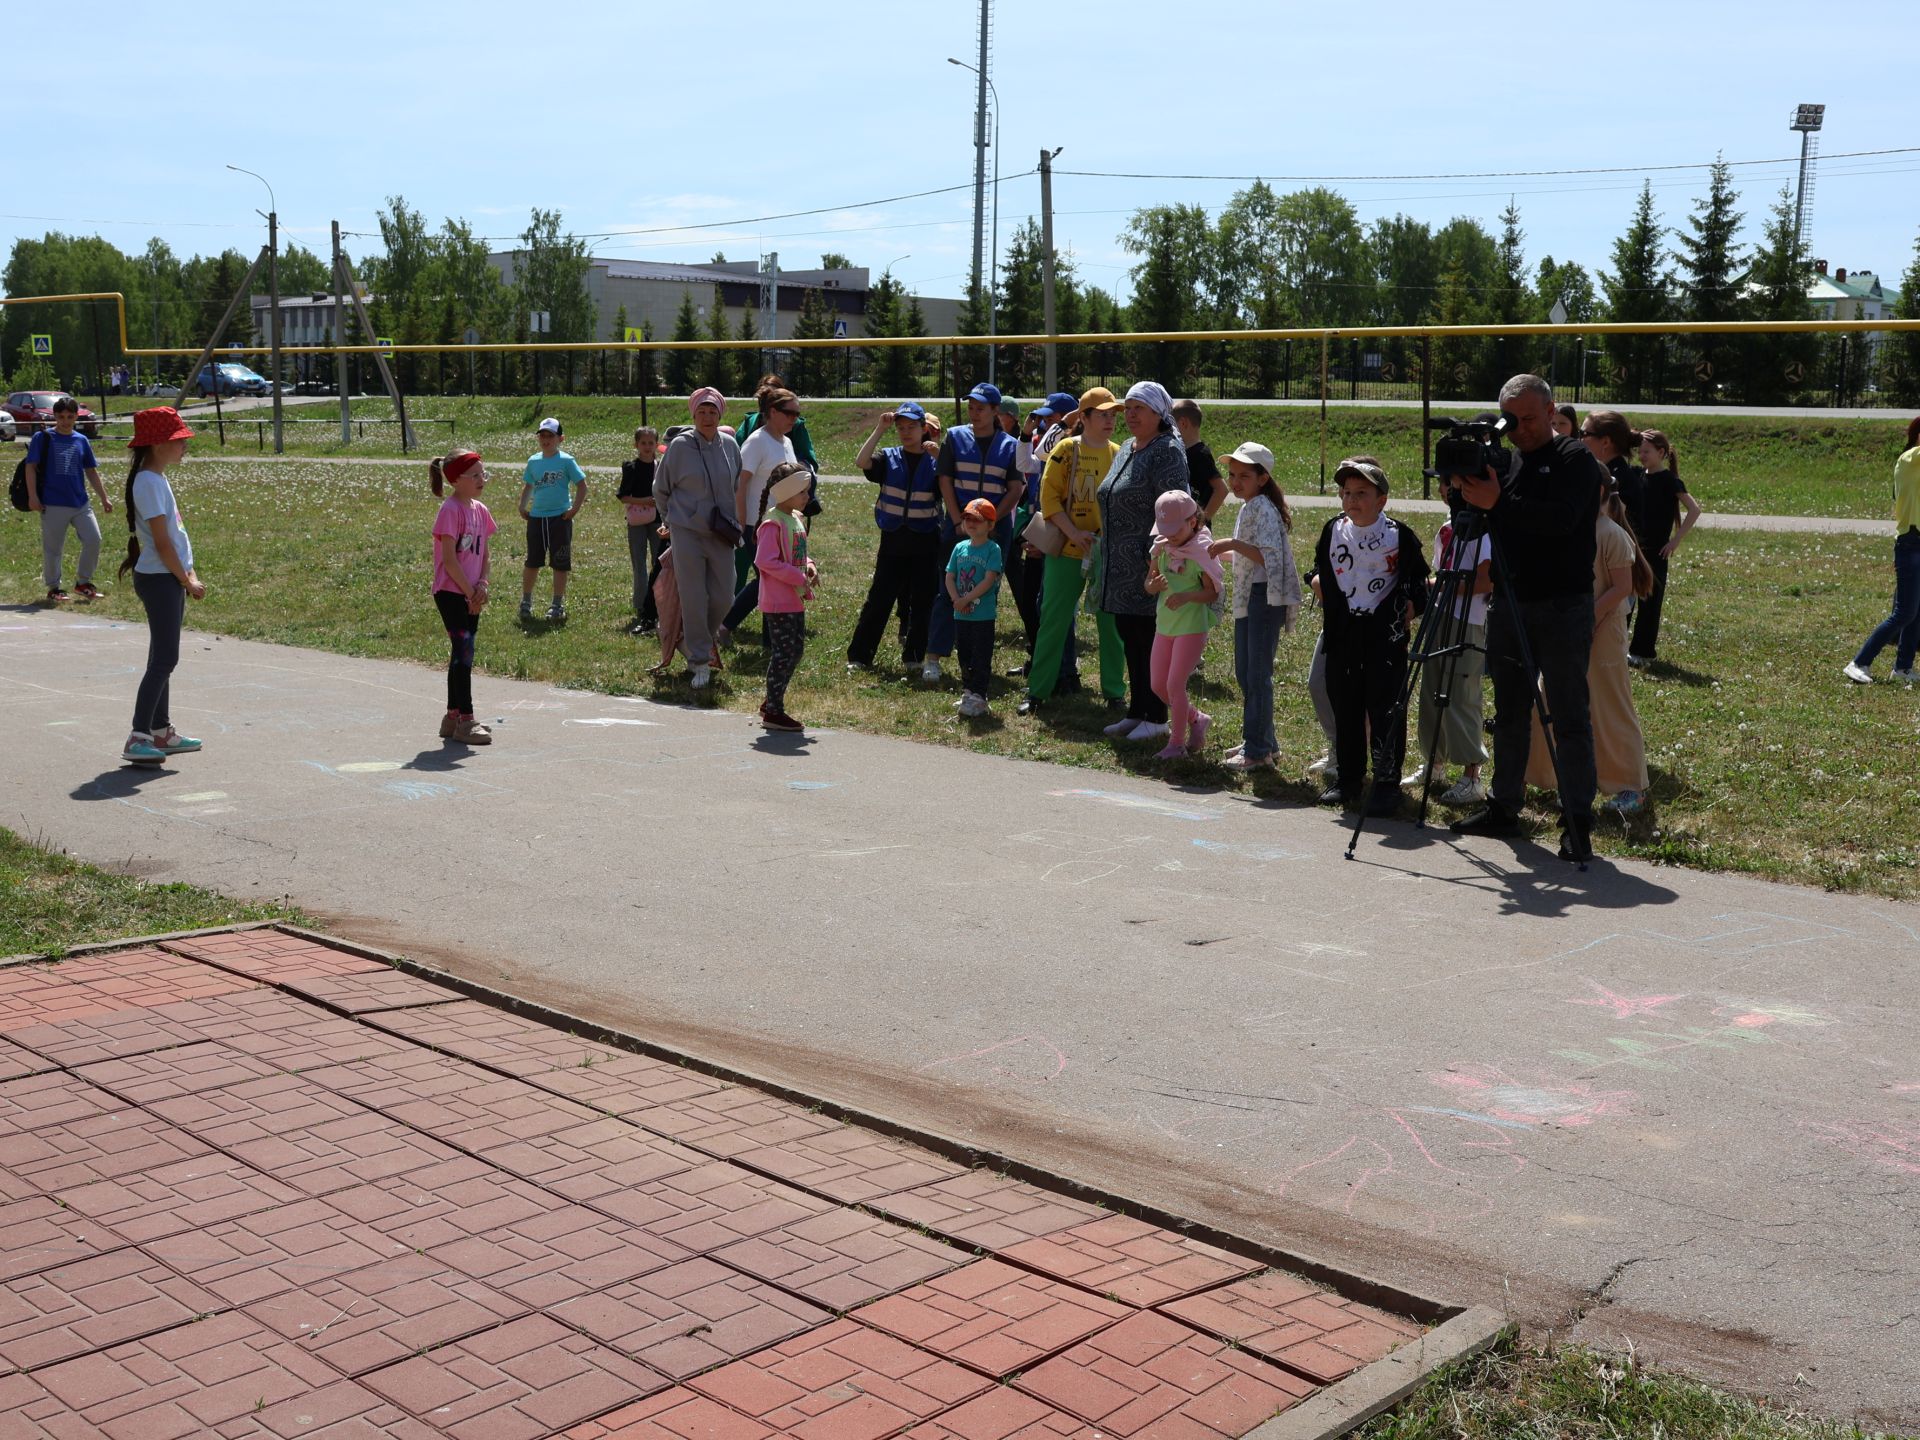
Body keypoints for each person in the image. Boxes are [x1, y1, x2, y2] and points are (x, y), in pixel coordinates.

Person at [1452, 374, 1606, 861]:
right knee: (1511, 710)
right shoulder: (1509, 460)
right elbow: (1490, 521)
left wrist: (1500, 501)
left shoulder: (1575, 458)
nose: (1520, 428)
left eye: (1530, 418)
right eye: (1511, 420)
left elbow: (1559, 520)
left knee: (1568, 714)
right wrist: (1468, 495)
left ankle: (1577, 819)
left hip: (1562, 604)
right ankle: (1504, 806)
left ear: (1552, 409)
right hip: (1511, 600)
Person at [1313, 457, 1429, 815]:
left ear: (1381, 500)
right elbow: (1321, 570)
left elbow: (1418, 584)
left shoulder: (1400, 536)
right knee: (1346, 707)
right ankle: (1349, 779)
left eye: (1362, 493)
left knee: (1385, 709)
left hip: (1384, 638)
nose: (1352, 500)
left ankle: (1386, 782)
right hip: (1344, 634)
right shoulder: (1333, 530)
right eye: (1346, 493)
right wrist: (1317, 582)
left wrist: (1409, 607)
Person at [1531, 475, 1654, 813]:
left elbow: (1621, 588)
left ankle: (1630, 786)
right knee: (1551, 698)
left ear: (1595, 491)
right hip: (1568, 629)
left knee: (1609, 706)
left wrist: (1586, 618)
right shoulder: (1569, 529)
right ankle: (1559, 778)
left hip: (1603, 634)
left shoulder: (1612, 534)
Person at [1093, 381, 1192, 743]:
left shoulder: (1166, 451)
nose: (1130, 415)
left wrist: (1160, 558)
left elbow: (1175, 506)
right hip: (1118, 565)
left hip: (1150, 563)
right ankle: (1137, 711)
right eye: (1128, 408)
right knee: (1129, 635)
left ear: (1158, 414)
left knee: (1150, 638)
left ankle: (1157, 715)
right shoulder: (1129, 449)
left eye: (1139, 408)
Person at [1019, 386, 1124, 716]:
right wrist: (1074, 533)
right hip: (1066, 549)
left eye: (1112, 415)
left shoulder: (1120, 452)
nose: (1110, 421)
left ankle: (1115, 693)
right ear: (1084, 417)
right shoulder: (1065, 449)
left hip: (1104, 552)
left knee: (1111, 624)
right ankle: (1038, 692)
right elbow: (1048, 499)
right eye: (1103, 414)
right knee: (1054, 619)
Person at [115, 407, 205, 765]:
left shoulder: (156, 478)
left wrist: (190, 573)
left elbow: (177, 536)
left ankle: (160, 731)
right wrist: (185, 580)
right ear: (156, 444)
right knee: (165, 658)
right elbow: (163, 543)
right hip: (159, 579)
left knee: (162, 657)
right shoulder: (148, 482)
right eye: (178, 439)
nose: (184, 445)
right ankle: (138, 736)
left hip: (168, 577)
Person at [1208, 442, 1299, 772]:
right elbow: (1255, 556)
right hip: (1253, 595)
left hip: (1264, 597)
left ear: (1263, 478)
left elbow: (1268, 557)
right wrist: (1224, 552)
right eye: (1232, 475)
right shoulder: (1253, 505)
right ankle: (1264, 742)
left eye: (1244, 475)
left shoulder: (1260, 507)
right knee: (1247, 672)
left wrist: (1230, 544)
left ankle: (1258, 750)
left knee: (1256, 674)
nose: (1235, 482)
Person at [925, 383, 1022, 683]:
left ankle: (976, 659)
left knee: (986, 590)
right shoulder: (955, 437)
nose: (975, 413)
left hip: (995, 531)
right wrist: (958, 521)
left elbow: (1015, 489)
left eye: (981, 408)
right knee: (948, 586)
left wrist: (991, 522)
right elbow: (945, 481)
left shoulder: (1010, 445)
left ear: (996, 412)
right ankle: (934, 656)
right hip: (958, 526)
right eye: (971, 407)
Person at [1406, 481, 1492, 807]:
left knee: (1461, 693)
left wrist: (1440, 584)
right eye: (1444, 485)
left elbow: (1485, 579)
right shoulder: (1448, 526)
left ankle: (1472, 776)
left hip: (1468, 619)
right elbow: (1442, 570)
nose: (1447, 491)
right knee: (1431, 688)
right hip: (1440, 614)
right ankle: (1434, 762)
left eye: (1454, 485)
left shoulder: (1484, 529)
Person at [653, 387, 742, 689]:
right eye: (701, 411)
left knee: (724, 595)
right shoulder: (680, 446)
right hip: (686, 532)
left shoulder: (730, 444)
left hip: (721, 531)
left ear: (720, 414)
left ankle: (694, 639)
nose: (707, 417)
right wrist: (671, 521)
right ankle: (699, 660)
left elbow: (736, 484)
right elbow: (661, 489)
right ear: (693, 414)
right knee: (693, 596)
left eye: (712, 411)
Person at [848, 404, 942, 671]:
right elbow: (861, 462)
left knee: (923, 601)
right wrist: (880, 428)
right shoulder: (889, 457)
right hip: (893, 541)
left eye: (911, 427)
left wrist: (942, 455)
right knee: (879, 599)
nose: (905, 432)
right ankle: (859, 656)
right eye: (900, 428)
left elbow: (953, 482)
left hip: (925, 541)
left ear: (924, 428)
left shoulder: (935, 460)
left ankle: (913, 657)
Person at [720, 385, 803, 645]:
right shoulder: (757, 441)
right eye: (789, 413)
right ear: (772, 411)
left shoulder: (787, 441)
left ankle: (768, 638)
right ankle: (724, 625)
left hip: (783, 522)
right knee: (769, 577)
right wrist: (743, 523)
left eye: (797, 414)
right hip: (758, 524)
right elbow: (740, 483)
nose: (794, 419)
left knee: (771, 580)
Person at [1143, 490, 1223, 760]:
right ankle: (1196, 719)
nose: (1170, 535)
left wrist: (1187, 596)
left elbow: (1212, 593)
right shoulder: (1161, 547)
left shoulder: (1201, 551)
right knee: (1157, 685)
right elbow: (1149, 582)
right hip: (1164, 626)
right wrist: (1152, 586)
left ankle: (1176, 745)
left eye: (1175, 529)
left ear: (1193, 521)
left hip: (1190, 627)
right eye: (1165, 529)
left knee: (1175, 685)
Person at [1844, 415, 1920, 684]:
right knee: (1905, 612)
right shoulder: (1910, 459)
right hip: (1911, 543)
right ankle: (1859, 662)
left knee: (1916, 613)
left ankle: (1903, 669)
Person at [429, 449, 497, 746]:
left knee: (461, 653)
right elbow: (450, 560)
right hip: (450, 592)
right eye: (476, 475)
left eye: (484, 473)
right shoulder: (450, 510)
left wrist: (482, 584)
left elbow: (485, 554)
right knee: (464, 651)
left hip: (471, 594)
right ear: (456, 480)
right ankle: (466, 721)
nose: (482, 479)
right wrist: (470, 592)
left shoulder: (480, 510)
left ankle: (452, 717)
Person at [1010, 392, 1079, 668]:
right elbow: (1025, 462)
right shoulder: (1047, 443)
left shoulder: (1074, 445)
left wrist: (1064, 425)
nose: (1043, 424)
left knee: (1056, 606)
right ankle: (1039, 658)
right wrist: (1025, 434)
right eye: (1044, 419)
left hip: (1064, 530)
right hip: (1043, 524)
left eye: (1051, 418)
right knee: (1032, 600)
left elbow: (1041, 453)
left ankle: (1063, 667)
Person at [24, 394, 111, 604]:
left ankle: (83, 583)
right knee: (53, 548)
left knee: (93, 539)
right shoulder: (43, 438)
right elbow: (31, 467)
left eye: (70, 416)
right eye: (61, 416)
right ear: (54, 416)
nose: (65, 421)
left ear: (76, 417)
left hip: (80, 502)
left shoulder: (81, 440)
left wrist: (104, 498)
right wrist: (33, 496)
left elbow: (90, 470)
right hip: (52, 503)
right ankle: (54, 587)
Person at [1627, 428, 1701, 666]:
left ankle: (1642, 652)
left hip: (1657, 552)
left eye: (1646, 451)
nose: (1641, 455)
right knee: (1624, 601)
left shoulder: (1670, 480)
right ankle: (1617, 648)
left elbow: (1694, 509)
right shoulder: (1636, 474)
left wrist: (1675, 540)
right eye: (1640, 450)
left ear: (1661, 452)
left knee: (1650, 604)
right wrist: (1635, 434)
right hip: (1632, 549)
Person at [755, 462, 818, 732]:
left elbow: (797, 552)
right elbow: (765, 561)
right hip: (778, 601)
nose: (808, 497)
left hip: (793, 599)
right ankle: (774, 712)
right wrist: (798, 576)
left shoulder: (794, 518)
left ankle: (772, 700)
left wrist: (810, 565)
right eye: (803, 492)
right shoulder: (772, 523)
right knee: (783, 654)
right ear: (786, 493)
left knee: (795, 651)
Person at [517, 417, 588, 622]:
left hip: (560, 518)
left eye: (551, 436)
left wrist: (574, 509)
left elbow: (582, 486)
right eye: (543, 436)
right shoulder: (533, 461)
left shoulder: (566, 460)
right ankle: (526, 601)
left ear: (560, 438)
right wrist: (522, 506)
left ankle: (556, 604)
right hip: (537, 518)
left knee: (560, 562)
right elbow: (529, 485)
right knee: (532, 561)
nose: (546, 440)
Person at [946, 498, 1005, 718]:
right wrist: (956, 600)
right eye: (967, 519)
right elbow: (950, 576)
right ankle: (968, 691)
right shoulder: (959, 547)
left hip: (982, 615)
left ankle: (979, 696)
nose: (971, 523)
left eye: (978, 520)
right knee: (964, 654)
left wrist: (967, 598)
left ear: (990, 525)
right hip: (961, 612)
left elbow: (988, 580)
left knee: (981, 655)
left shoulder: (993, 549)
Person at [618, 426, 667, 635]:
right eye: (643, 443)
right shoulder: (631, 467)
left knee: (659, 563)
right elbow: (623, 496)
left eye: (651, 443)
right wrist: (645, 501)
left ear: (657, 444)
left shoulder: (661, 467)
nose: (647, 447)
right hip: (637, 522)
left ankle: (658, 603)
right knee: (639, 563)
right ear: (636, 445)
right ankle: (640, 603)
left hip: (658, 522)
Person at [1171, 399, 1227, 522]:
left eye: (1171, 425)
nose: (1169, 430)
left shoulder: (1200, 454)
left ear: (1183, 423)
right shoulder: (1181, 452)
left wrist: (1202, 521)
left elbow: (1221, 490)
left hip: (1196, 531)